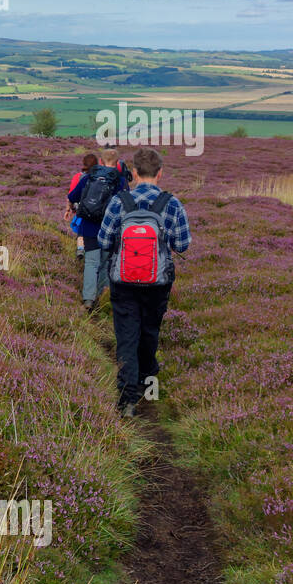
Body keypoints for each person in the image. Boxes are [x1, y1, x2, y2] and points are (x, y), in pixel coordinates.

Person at [96, 147, 192, 417]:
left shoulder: (119, 201)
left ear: (134, 172)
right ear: (160, 173)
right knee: (150, 331)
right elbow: (183, 245)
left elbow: (103, 242)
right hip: (158, 283)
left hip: (123, 281)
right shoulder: (171, 203)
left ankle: (127, 400)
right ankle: (148, 383)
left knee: (126, 335)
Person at [67, 151, 127, 308]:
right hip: (111, 229)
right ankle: (102, 296)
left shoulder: (89, 177)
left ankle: (88, 299)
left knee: (91, 262)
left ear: (100, 161)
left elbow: (72, 196)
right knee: (106, 262)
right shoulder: (120, 181)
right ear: (117, 162)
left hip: (89, 226)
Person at [67, 154, 98, 258]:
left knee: (81, 232)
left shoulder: (78, 177)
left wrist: (69, 208)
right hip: (99, 210)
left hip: (82, 209)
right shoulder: (101, 177)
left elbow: (71, 195)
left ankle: (80, 249)